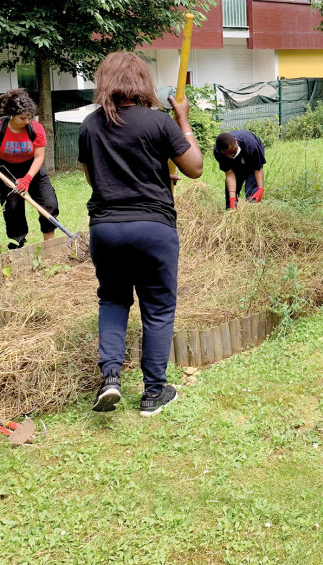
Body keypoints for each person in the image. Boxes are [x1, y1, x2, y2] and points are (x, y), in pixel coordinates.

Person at [78, 52, 203, 417]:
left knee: (113, 301)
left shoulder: (89, 126)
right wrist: (183, 122)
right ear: (142, 84)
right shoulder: (159, 123)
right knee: (158, 309)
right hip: (153, 228)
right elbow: (194, 167)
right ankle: (152, 393)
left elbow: (93, 179)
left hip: (105, 230)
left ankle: (111, 378)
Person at [0, 88, 59, 250]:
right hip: (7, 170)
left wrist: (28, 178)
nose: (27, 121)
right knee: (13, 209)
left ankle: (50, 247)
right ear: (12, 115)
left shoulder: (35, 129)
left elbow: (39, 157)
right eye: (22, 118)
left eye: (29, 117)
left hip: (32, 169)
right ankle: (17, 246)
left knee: (49, 204)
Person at [213, 130, 266, 210]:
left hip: (251, 158)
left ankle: (252, 211)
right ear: (222, 152)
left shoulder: (251, 145)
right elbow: (229, 174)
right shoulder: (218, 152)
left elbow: (257, 168)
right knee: (230, 196)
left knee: (251, 190)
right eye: (228, 154)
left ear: (236, 141)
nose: (232, 155)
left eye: (233, 151)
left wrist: (260, 189)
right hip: (235, 165)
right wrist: (232, 199)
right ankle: (231, 213)